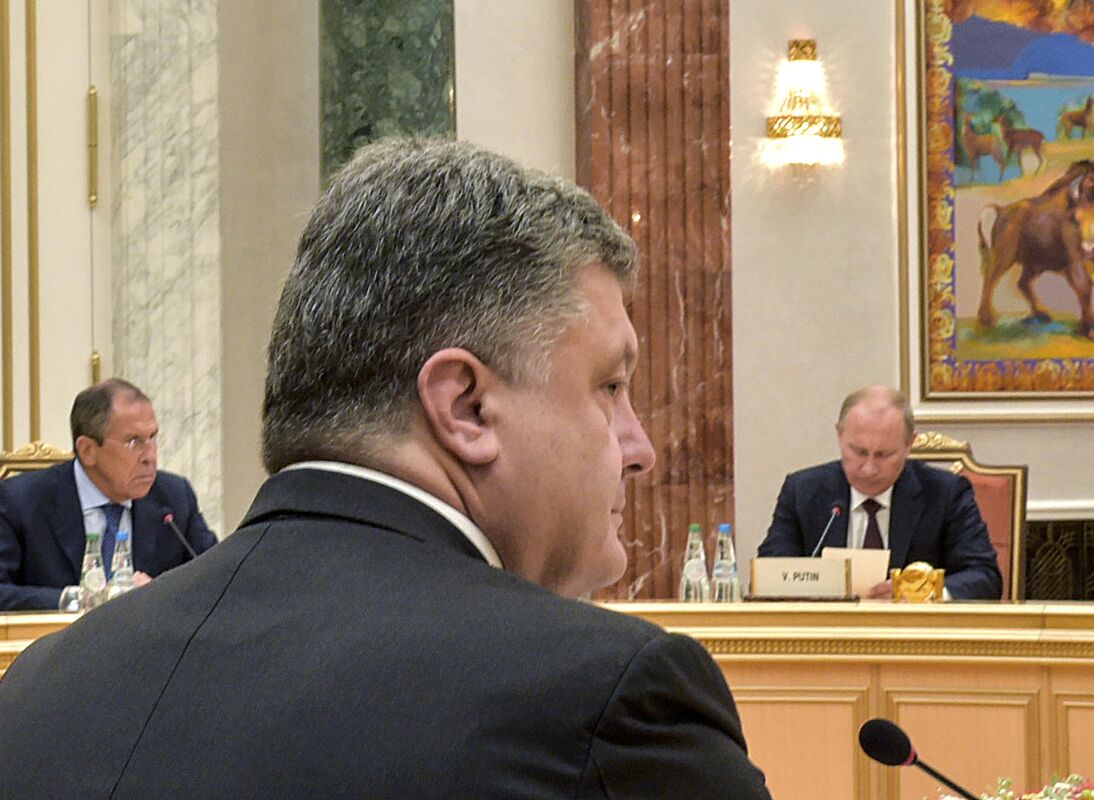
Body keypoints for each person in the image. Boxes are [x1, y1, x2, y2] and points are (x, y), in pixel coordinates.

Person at [0, 139, 771, 798]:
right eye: (610, 386)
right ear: (465, 407)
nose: (640, 447)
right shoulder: (602, 703)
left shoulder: (38, 687)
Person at [758, 385, 1001, 600]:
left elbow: (984, 577)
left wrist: (923, 593)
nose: (869, 468)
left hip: (912, 633)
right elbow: (767, 575)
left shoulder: (945, 494)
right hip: (826, 632)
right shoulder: (802, 491)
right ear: (840, 435)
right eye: (859, 452)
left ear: (909, 444)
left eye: (884, 455)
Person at [0, 379, 217, 610]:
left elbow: (218, 580)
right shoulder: (20, 501)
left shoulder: (174, 497)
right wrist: (78, 600)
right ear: (88, 451)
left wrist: (159, 593)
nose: (150, 456)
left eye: (153, 438)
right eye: (134, 441)